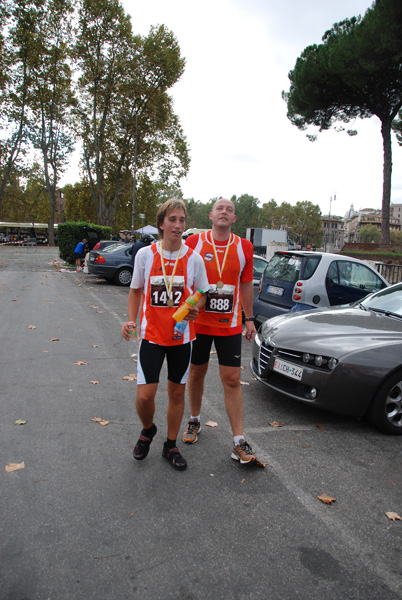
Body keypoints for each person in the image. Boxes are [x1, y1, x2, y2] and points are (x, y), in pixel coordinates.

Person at [121, 199, 209, 471]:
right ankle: (148, 430)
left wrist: (194, 308)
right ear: (161, 224)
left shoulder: (193, 258)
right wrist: (130, 321)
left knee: (176, 393)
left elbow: (203, 294)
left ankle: (170, 445)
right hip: (151, 336)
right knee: (145, 396)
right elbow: (135, 290)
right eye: (173, 219)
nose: (178, 225)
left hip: (182, 339)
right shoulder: (145, 255)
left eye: (182, 220)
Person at [182, 198, 264, 467]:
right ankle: (194, 420)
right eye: (220, 208)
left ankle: (238, 441)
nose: (224, 212)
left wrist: (249, 318)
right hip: (199, 323)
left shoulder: (244, 247)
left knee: (231, 379)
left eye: (229, 209)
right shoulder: (194, 242)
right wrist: (185, 309)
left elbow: (247, 284)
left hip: (229, 325)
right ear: (211, 215)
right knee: (197, 372)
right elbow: (183, 275)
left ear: (234, 219)